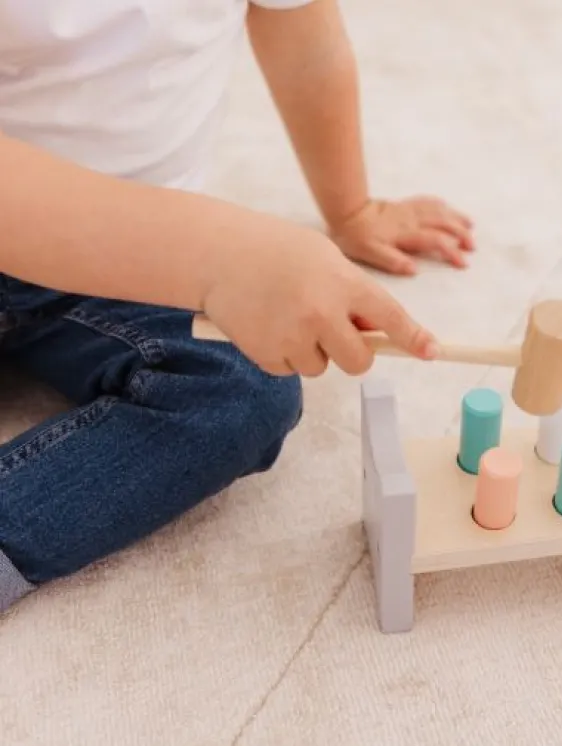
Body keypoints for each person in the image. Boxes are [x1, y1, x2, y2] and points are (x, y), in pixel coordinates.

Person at [0, 0, 476, 612]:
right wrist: (217, 258)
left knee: (245, 385)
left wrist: (351, 208)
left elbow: (306, 41)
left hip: (134, 265)